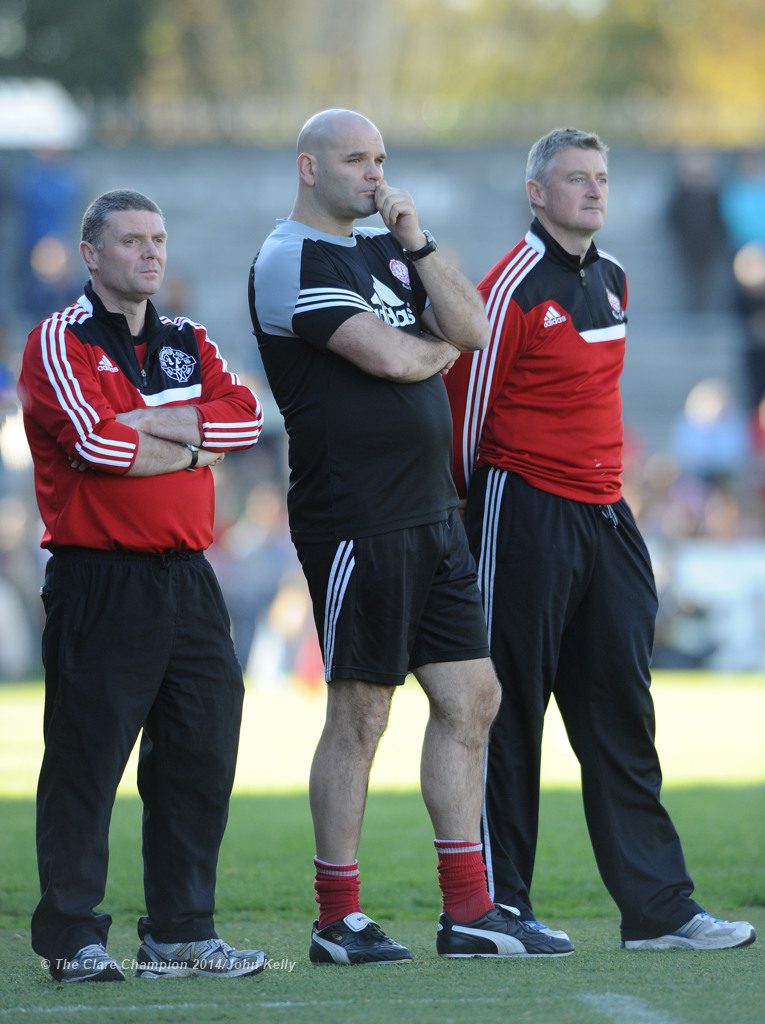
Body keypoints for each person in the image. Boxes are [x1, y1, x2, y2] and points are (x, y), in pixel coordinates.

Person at [248, 108, 574, 964]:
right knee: (361, 712)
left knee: (474, 699)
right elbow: (393, 359)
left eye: (380, 158)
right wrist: (429, 341)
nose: (373, 172)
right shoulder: (291, 255)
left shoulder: (391, 247)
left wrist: (419, 242)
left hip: (433, 513)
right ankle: (336, 917)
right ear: (308, 167)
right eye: (355, 159)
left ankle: (469, 910)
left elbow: (473, 329)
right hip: (357, 516)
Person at [444, 128, 757, 952]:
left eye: (601, 178)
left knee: (622, 708)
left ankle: (657, 911)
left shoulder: (614, 278)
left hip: (603, 509)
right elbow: (463, 409)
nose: (592, 191)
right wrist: (472, 519)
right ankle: (494, 908)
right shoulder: (507, 285)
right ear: (536, 193)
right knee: (507, 712)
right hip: (520, 506)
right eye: (574, 179)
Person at [18, 189, 269, 983]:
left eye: (157, 238)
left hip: (190, 581)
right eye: (131, 240)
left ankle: (179, 932)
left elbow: (246, 420)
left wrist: (153, 427)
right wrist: (194, 441)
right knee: (87, 764)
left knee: (199, 756)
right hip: (101, 578)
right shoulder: (56, 341)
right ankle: (70, 938)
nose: (150, 253)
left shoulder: (189, 339)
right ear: (91, 254)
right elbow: (96, 444)